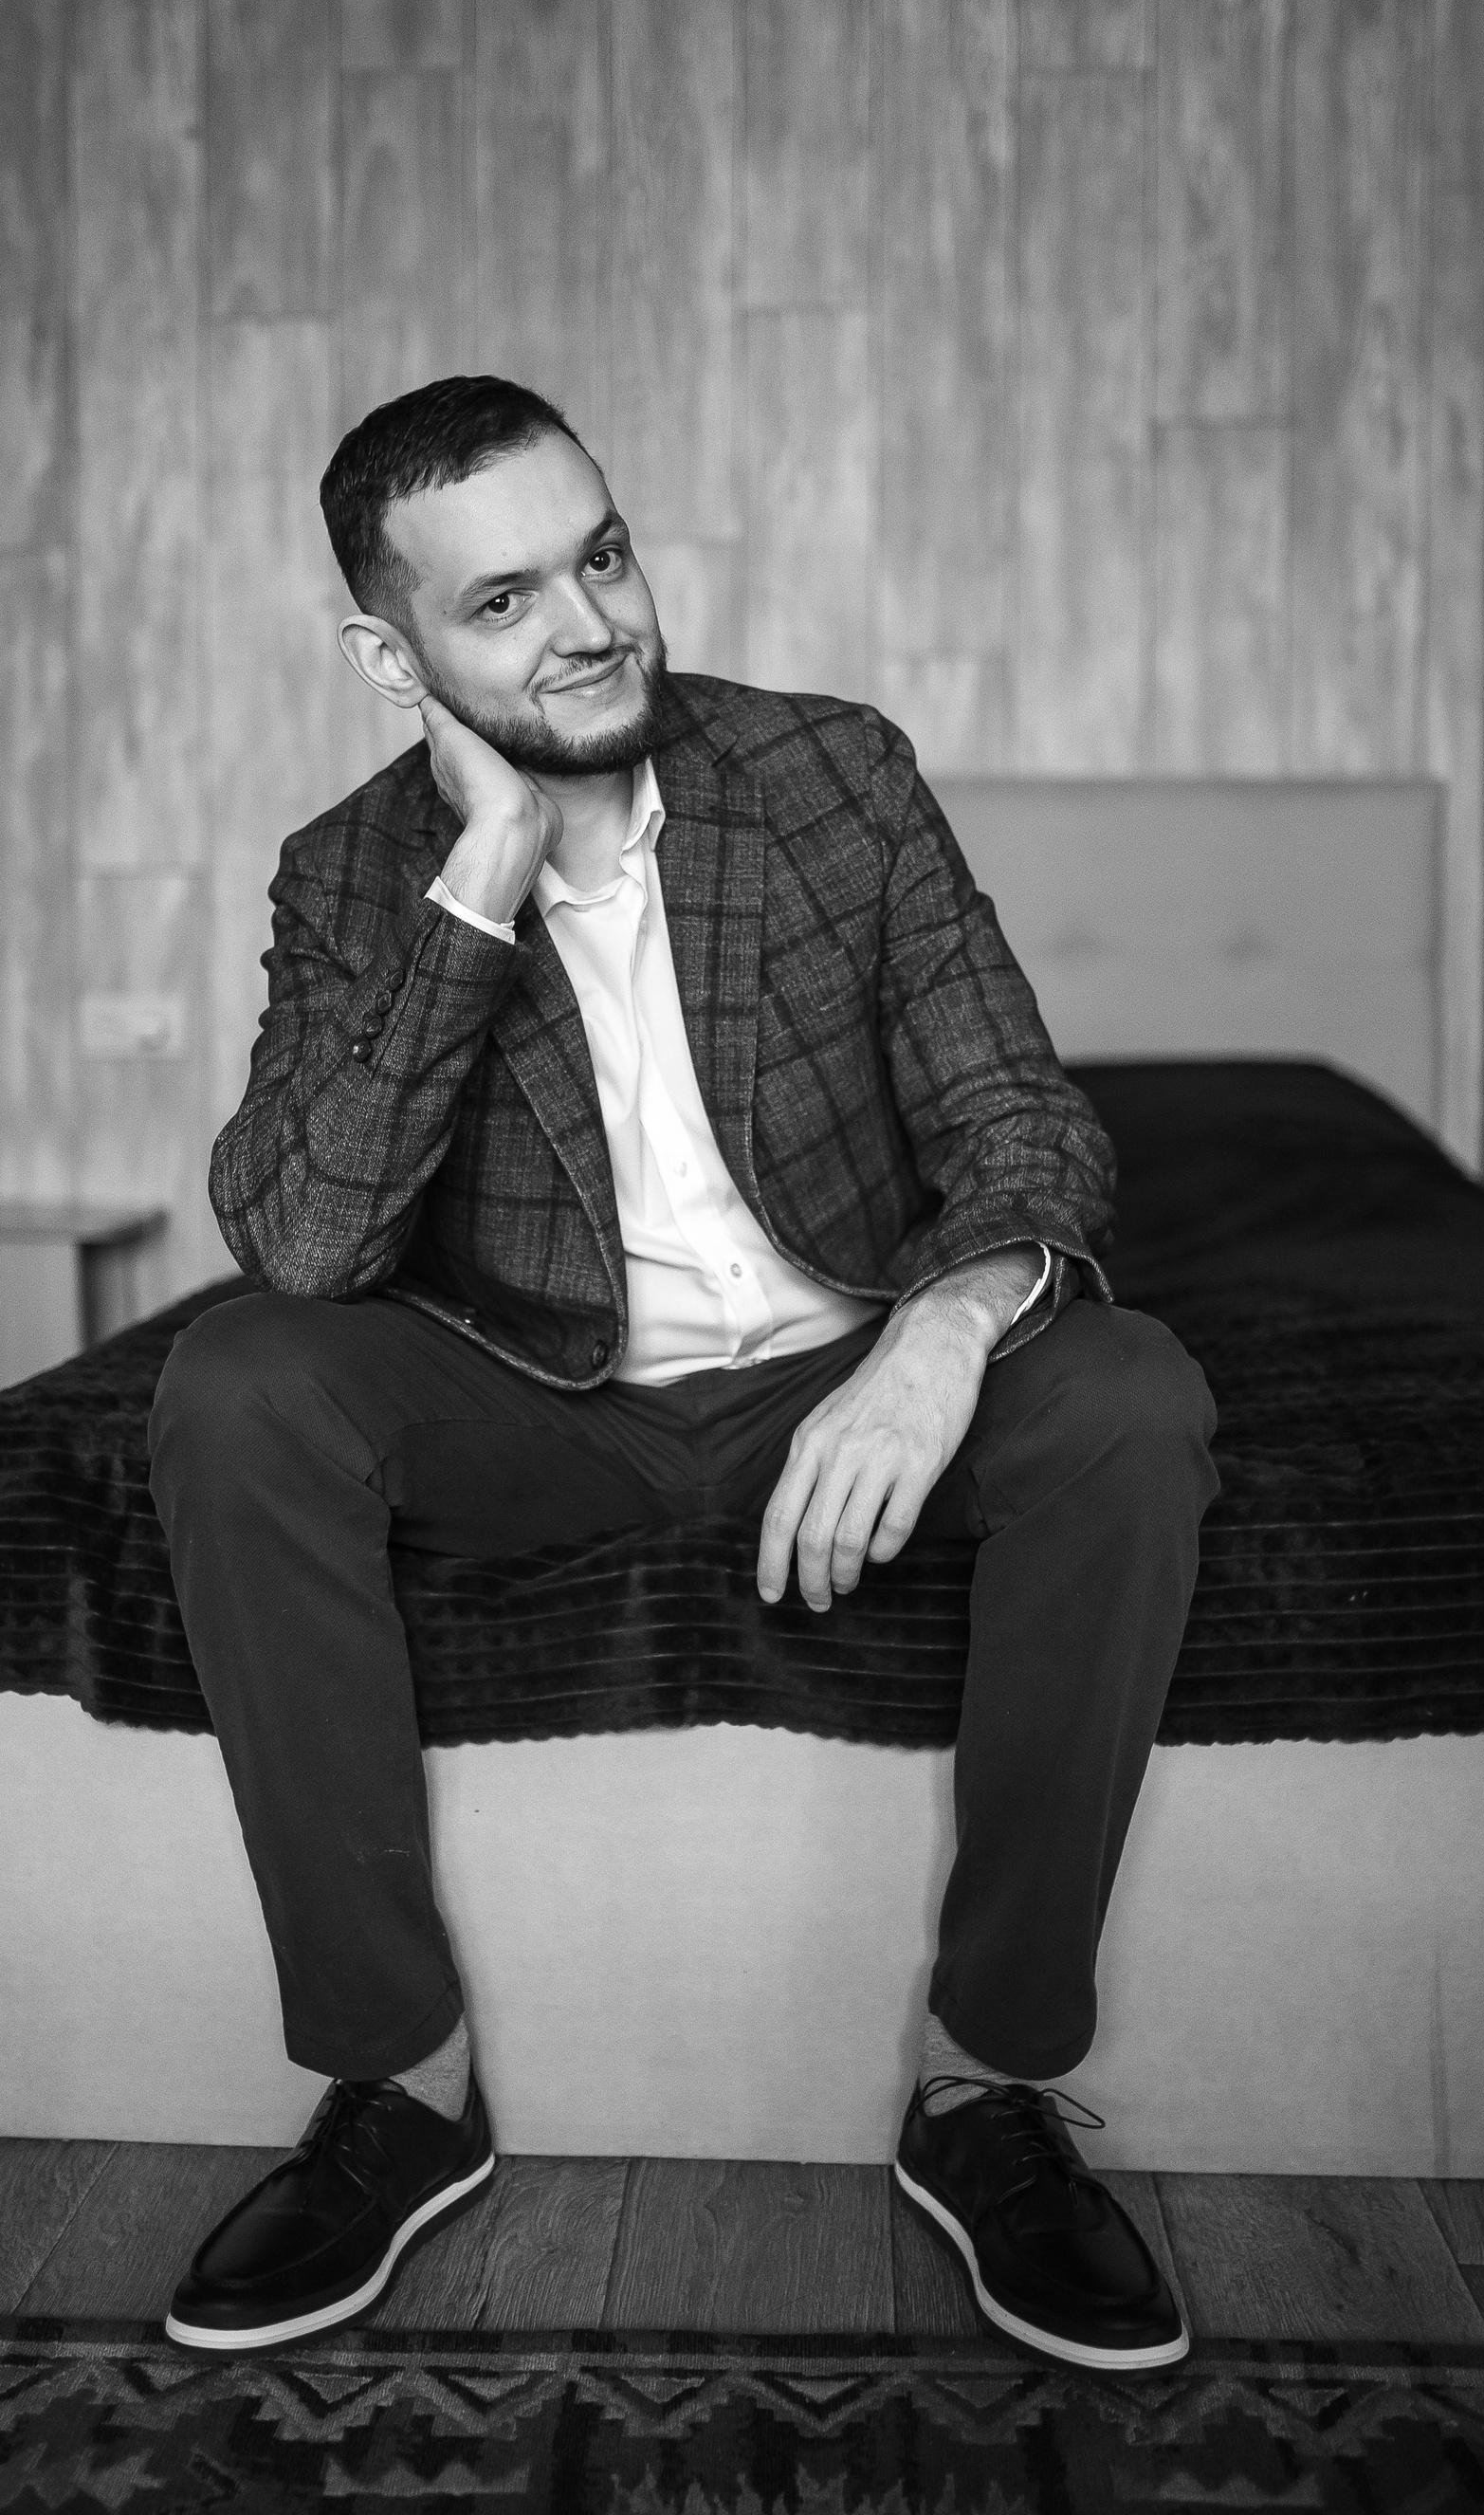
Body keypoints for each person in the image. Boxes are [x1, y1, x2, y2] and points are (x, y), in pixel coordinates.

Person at [148, 374, 1218, 2371]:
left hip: (849, 1379)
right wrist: (481, 881)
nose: (590, 625)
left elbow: (1021, 1119)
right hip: (545, 1410)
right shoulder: (349, 875)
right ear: (392, 657)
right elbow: (302, 1243)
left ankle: (987, 2085)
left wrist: (939, 1336)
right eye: (503, 603)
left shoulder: (829, 777)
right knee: (237, 1381)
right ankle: (400, 2085)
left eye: (605, 557)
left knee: (1136, 1395)